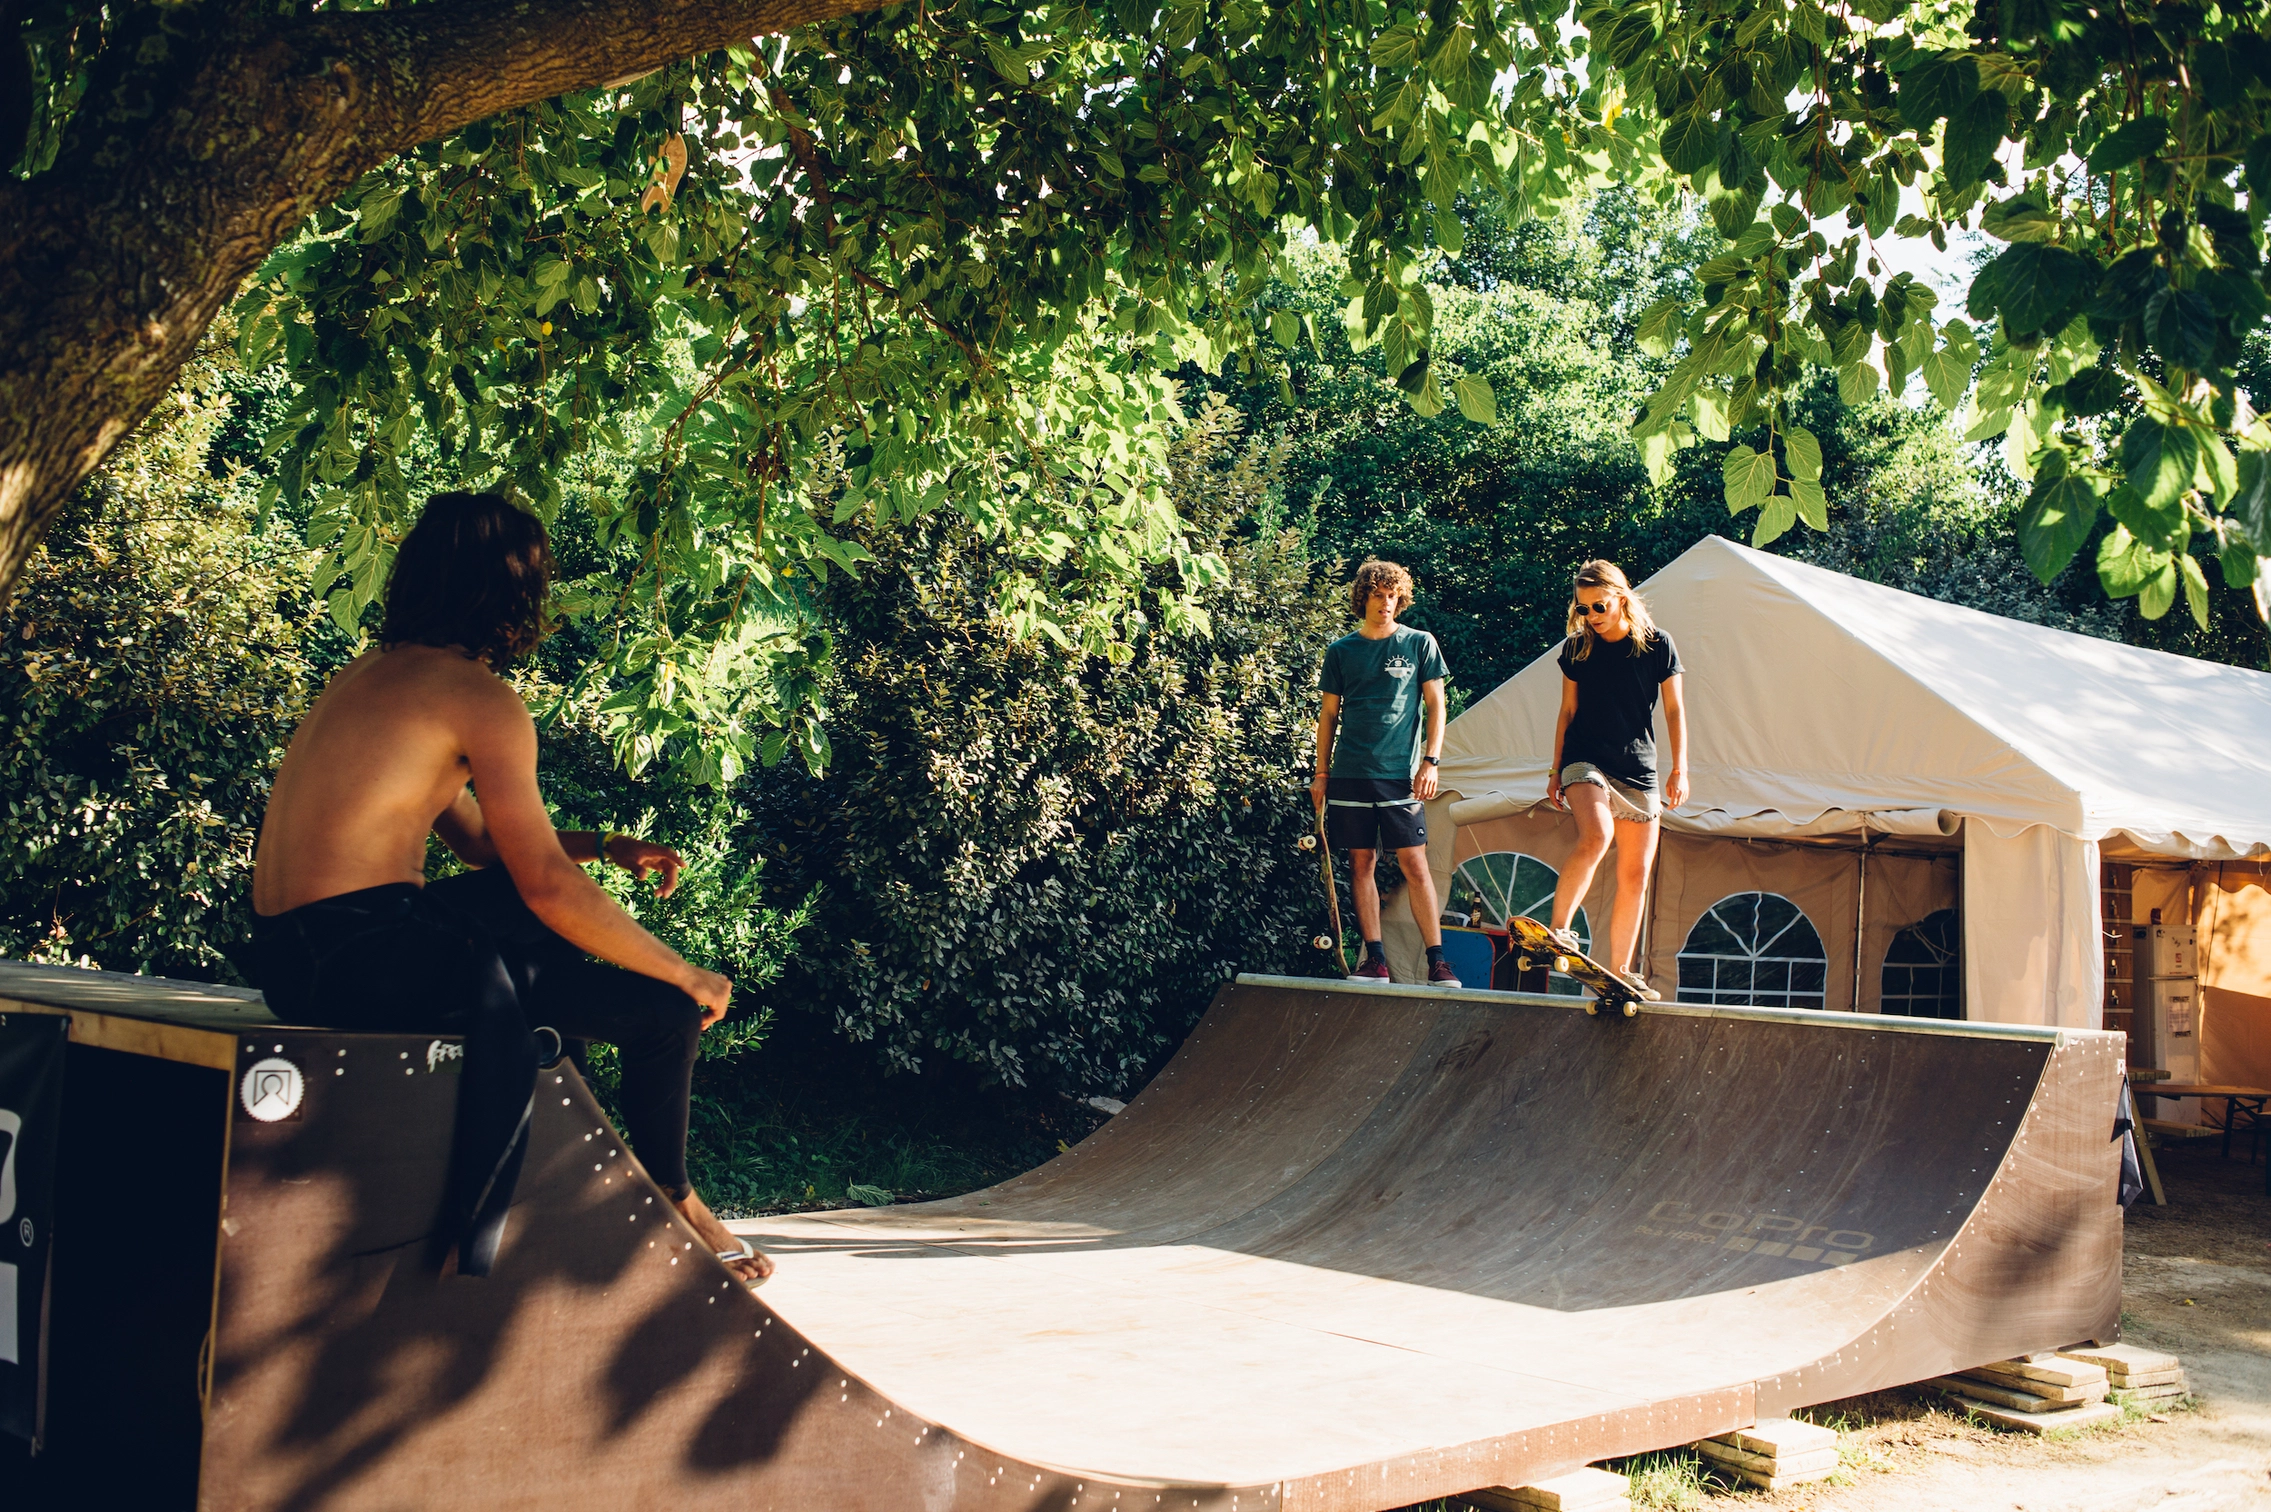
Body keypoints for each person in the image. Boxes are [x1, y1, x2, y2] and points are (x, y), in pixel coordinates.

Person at [249, 491, 769, 1287]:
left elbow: (481, 844)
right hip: (368, 955)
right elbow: (545, 890)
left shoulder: (367, 679)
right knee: (662, 1006)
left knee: (635, 1004)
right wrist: (683, 970)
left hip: (291, 957)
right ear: (513, 592)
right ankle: (663, 1193)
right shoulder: (477, 699)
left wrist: (605, 846)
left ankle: (598, 1134)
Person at [1311, 559, 1462, 988]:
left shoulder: (1420, 644)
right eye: (1378, 595)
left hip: (1400, 775)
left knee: (1415, 864)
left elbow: (1437, 707)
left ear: (1401, 599)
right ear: (1364, 598)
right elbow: (1328, 715)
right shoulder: (1341, 651)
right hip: (1350, 773)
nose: (1386, 603)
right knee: (1362, 863)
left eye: (1392, 595)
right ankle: (1374, 962)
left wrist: (1431, 761)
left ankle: (1438, 963)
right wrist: (1321, 774)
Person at [1543, 559, 1688, 991]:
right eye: (1583, 609)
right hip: (1585, 759)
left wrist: (1680, 768)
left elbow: (1675, 709)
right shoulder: (1577, 648)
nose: (1592, 617)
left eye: (1599, 606)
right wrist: (1555, 770)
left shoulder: (1658, 645)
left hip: (1639, 769)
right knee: (1597, 836)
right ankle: (1559, 931)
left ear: (1621, 598)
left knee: (1636, 875)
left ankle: (1621, 970)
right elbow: (1567, 711)